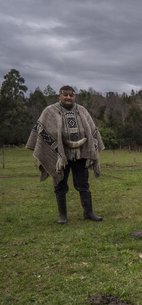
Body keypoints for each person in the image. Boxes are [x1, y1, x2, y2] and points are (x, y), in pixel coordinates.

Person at [26, 86, 104, 224]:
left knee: (83, 184)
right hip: (59, 155)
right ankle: (62, 215)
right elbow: (41, 130)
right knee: (60, 183)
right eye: (65, 95)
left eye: (71, 95)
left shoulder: (82, 110)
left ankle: (89, 212)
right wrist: (56, 146)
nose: (68, 97)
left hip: (81, 154)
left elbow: (92, 130)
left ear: (74, 96)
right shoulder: (49, 111)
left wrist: (93, 144)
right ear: (59, 96)